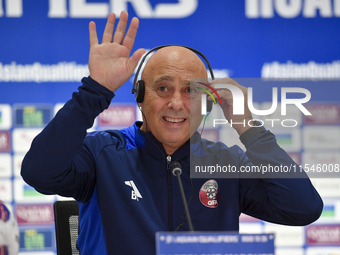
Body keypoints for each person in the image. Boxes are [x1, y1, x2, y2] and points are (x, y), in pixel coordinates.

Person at [21, 11, 323, 254]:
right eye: (163, 88)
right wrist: (94, 92)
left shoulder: (226, 163)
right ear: (140, 97)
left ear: (207, 104)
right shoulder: (102, 152)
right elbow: (39, 172)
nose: (177, 103)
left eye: (191, 91)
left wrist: (247, 128)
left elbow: (303, 209)